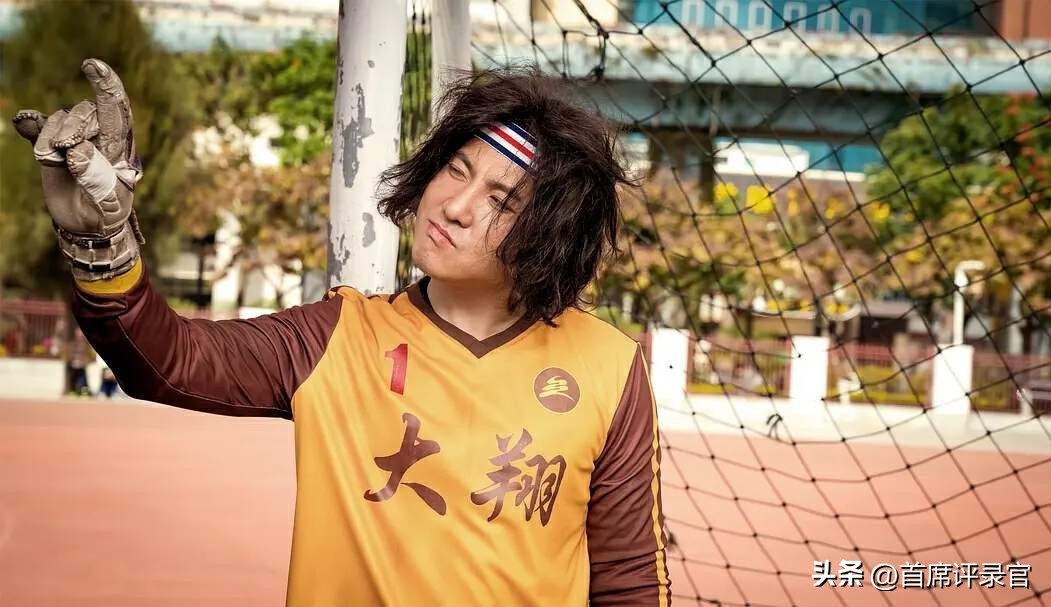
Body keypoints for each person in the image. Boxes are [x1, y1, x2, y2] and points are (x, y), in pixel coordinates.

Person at [13, 59, 670, 605]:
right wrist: (99, 243)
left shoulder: (608, 367)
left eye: (502, 202)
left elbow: (629, 580)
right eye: (457, 170)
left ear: (549, 236)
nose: (457, 207)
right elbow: (169, 359)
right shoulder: (338, 334)